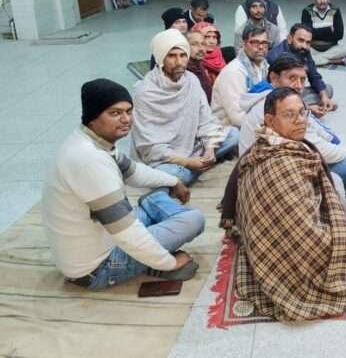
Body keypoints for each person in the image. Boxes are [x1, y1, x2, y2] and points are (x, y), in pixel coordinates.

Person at [234, 87, 346, 321]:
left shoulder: (268, 143)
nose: (300, 120)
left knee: (335, 179)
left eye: (302, 112)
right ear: (270, 120)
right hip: (300, 261)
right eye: (289, 115)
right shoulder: (282, 164)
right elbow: (306, 240)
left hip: (296, 234)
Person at [42, 78, 205, 289]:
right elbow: (127, 233)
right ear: (92, 118)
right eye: (115, 113)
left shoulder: (91, 141)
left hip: (103, 238)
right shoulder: (89, 161)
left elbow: (134, 171)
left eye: (129, 111)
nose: (126, 119)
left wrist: (174, 181)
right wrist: (170, 263)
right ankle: (147, 254)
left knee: (165, 177)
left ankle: (153, 204)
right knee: (193, 220)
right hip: (99, 268)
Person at [132, 29, 239, 186]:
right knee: (172, 173)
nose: (179, 62)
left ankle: (195, 168)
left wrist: (210, 149)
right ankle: (191, 171)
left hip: (193, 147)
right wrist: (187, 162)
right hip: (165, 158)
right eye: (172, 56)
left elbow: (206, 120)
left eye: (183, 55)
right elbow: (149, 147)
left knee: (234, 134)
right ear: (161, 58)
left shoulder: (191, 81)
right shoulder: (145, 91)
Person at [238, 53, 346, 186]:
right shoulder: (272, 106)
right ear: (274, 78)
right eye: (292, 78)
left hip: (280, 162)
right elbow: (317, 148)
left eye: (302, 80)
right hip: (264, 176)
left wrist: (336, 142)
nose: (299, 86)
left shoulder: (282, 97)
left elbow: (314, 125)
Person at [267, 23, 337, 117]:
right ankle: (300, 107)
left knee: (327, 90)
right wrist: (307, 108)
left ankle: (301, 106)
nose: (304, 45)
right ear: (290, 39)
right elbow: (274, 90)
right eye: (300, 40)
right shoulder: (275, 57)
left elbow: (314, 75)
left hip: (297, 90)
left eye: (308, 42)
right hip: (280, 95)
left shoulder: (303, 51)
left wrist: (324, 97)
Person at [211, 25, 270, 128]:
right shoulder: (233, 72)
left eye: (264, 43)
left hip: (255, 122)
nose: (261, 47)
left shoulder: (264, 67)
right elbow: (237, 117)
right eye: (255, 42)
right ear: (244, 44)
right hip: (228, 129)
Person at [300, 0, 346, 66]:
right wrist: (328, 30)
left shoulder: (335, 10)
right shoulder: (307, 11)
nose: (322, 1)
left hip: (331, 49)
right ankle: (333, 61)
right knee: (299, 51)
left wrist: (315, 32)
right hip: (313, 48)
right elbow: (307, 34)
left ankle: (315, 59)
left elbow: (339, 35)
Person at [186, 30, 213, 104]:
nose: (201, 48)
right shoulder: (183, 71)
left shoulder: (199, 65)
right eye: (195, 44)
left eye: (203, 44)